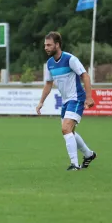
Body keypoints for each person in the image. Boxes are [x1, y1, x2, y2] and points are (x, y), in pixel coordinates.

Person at [36, 32, 97, 171]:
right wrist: (41, 102)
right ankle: (89, 154)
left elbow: (85, 76)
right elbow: (48, 84)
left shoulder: (70, 59)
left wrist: (89, 97)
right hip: (66, 102)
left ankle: (75, 165)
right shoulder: (50, 64)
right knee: (70, 132)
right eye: (45, 45)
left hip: (76, 99)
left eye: (49, 45)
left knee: (65, 129)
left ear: (57, 45)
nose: (46, 47)